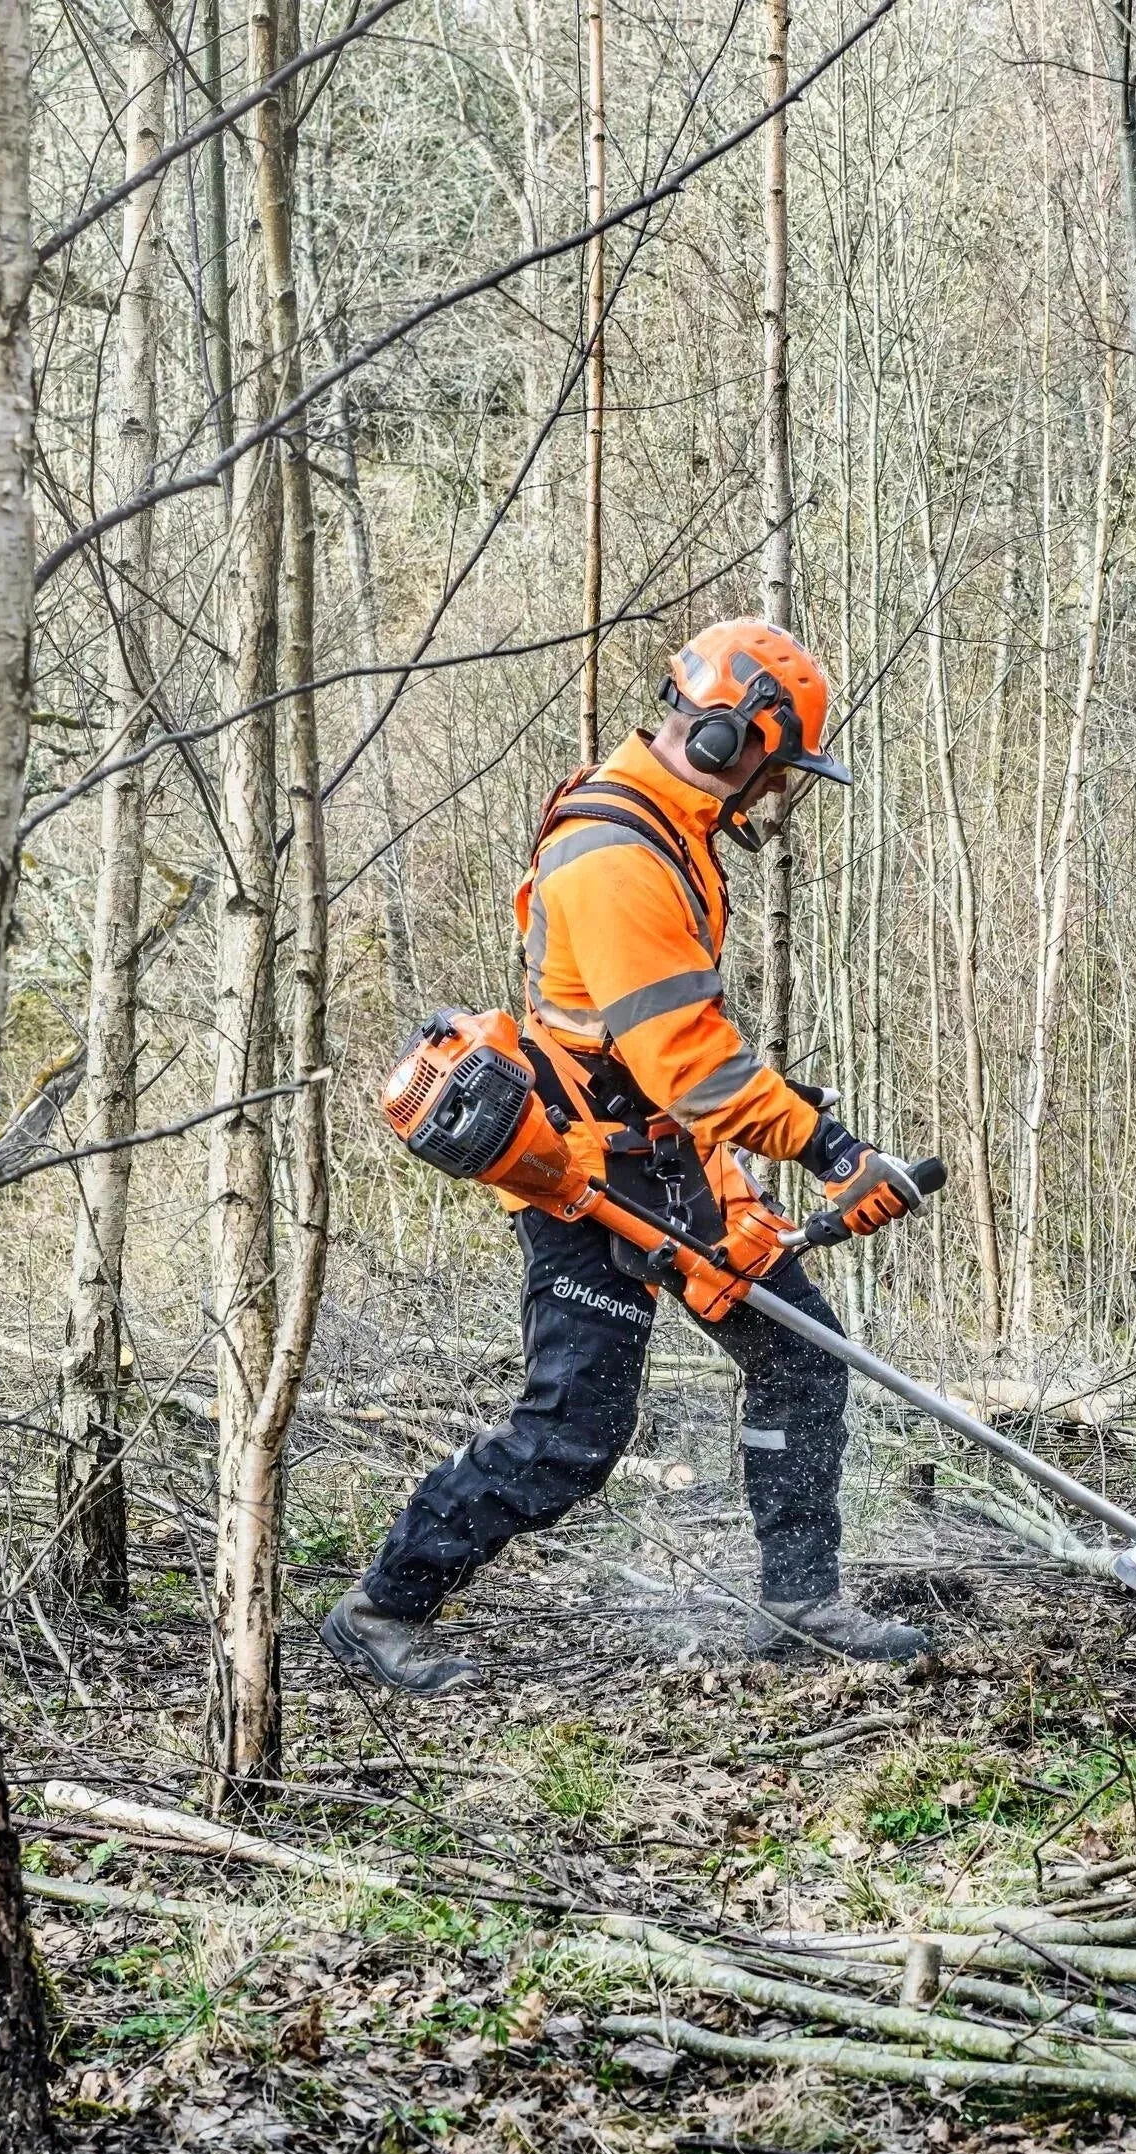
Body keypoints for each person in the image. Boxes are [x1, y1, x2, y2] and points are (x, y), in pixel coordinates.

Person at [324, 620, 934, 1694]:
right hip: (582, 1174)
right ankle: (380, 1606)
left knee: (799, 1357)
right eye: (770, 766)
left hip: (665, 1160)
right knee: (574, 1431)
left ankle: (799, 1594)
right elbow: (687, 1060)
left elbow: (675, 1067)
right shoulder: (615, 853)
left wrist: (764, 1160)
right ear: (721, 736)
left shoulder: (669, 824)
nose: (771, 792)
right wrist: (827, 1144)